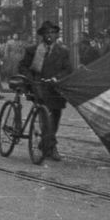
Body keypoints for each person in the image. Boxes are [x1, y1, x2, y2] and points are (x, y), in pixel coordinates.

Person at [18, 21, 73, 161]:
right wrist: (31, 79)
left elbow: (67, 69)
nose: (49, 36)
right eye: (46, 33)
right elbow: (23, 67)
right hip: (39, 87)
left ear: (56, 35)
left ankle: (45, 144)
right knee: (44, 116)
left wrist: (57, 78)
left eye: (52, 33)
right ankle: (52, 147)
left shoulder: (63, 51)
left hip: (56, 88)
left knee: (55, 117)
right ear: (42, 36)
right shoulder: (33, 50)